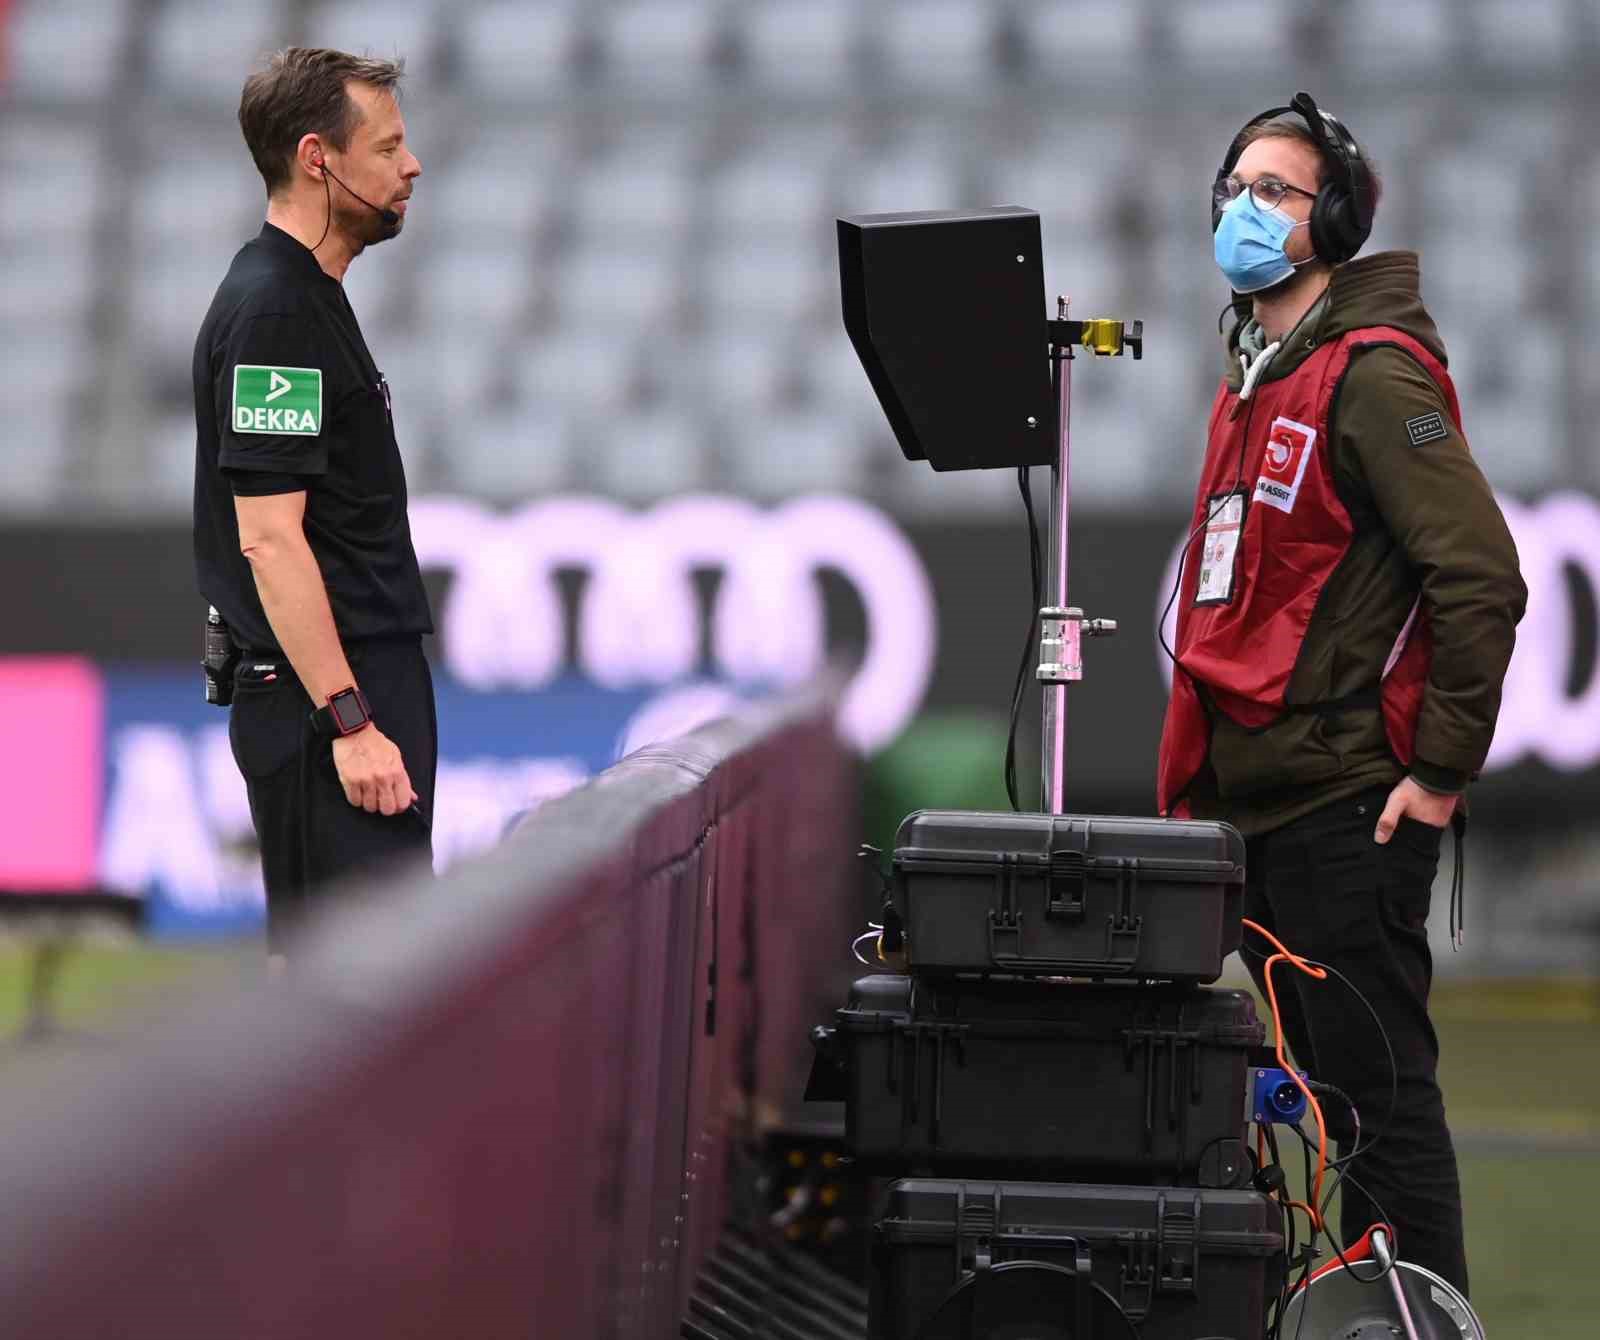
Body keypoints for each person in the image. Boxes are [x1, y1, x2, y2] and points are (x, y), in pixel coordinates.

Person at [1157, 92, 1526, 1296]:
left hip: (1344, 806)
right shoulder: (1259, 376)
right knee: (1330, 1118)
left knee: (1381, 1107)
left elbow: (1478, 575)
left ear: (1340, 219)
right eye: (1236, 184)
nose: (1243, 206)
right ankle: (1371, 1319)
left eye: (1277, 189)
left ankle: (1427, 1328)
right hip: (1269, 806)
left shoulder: (1371, 376)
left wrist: (1436, 771)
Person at [192, 48, 433, 955]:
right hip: (323, 708)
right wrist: (351, 721)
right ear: (316, 158)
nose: (411, 166)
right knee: (358, 995)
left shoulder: (307, 299)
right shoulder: (278, 315)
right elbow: (269, 541)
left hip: (343, 693)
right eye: (389, 146)